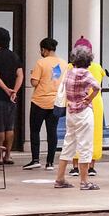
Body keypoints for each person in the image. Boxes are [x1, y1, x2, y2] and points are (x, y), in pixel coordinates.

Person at [54, 44, 101, 190]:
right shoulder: (85, 74)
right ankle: (84, 181)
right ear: (88, 61)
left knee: (68, 144)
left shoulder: (69, 72)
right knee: (85, 146)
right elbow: (97, 87)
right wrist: (89, 98)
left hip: (71, 112)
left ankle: (60, 178)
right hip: (83, 112)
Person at [0, 27, 23, 166]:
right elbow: (20, 75)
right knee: (9, 127)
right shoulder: (14, 56)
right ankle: (8, 155)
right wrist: (14, 91)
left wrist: (6, 89)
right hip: (11, 99)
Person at [25, 37, 62, 169]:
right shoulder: (62, 63)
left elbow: (34, 82)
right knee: (52, 132)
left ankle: (35, 160)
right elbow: (57, 79)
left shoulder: (41, 63)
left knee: (35, 130)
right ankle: (50, 162)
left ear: (44, 50)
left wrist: (32, 75)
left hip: (39, 102)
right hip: (55, 102)